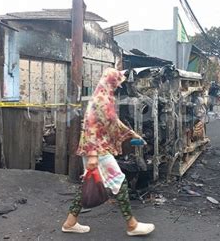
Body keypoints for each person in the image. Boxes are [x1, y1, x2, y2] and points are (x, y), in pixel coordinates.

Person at [62, 68, 155, 236]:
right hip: (96, 150)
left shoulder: (105, 97)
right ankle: (132, 225)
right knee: (119, 181)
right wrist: (92, 155)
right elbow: (91, 125)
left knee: (88, 184)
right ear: (111, 81)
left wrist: (133, 136)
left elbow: (115, 123)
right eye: (117, 82)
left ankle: (70, 222)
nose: (119, 85)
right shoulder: (100, 100)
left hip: (96, 149)